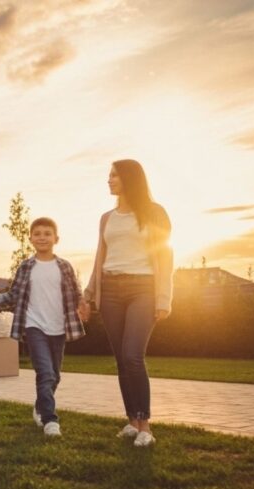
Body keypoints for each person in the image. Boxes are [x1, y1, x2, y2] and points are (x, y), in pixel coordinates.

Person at [82, 159, 173, 448]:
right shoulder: (106, 218)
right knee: (121, 359)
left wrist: (164, 297)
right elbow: (100, 258)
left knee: (133, 355)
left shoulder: (154, 213)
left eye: (114, 175)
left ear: (130, 179)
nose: (109, 180)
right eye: (109, 175)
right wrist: (88, 293)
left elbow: (165, 256)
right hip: (110, 290)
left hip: (143, 289)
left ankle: (145, 425)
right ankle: (132, 422)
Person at [0, 217, 88, 438]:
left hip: (58, 327)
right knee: (45, 373)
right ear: (30, 239)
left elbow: (76, 292)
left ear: (56, 239)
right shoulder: (26, 267)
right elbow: (14, 294)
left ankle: (40, 406)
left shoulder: (64, 266)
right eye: (37, 234)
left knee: (54, 376)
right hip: (33, 325)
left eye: (47, 234)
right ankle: (50, 420)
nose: (42, 237)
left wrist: (83, 304)